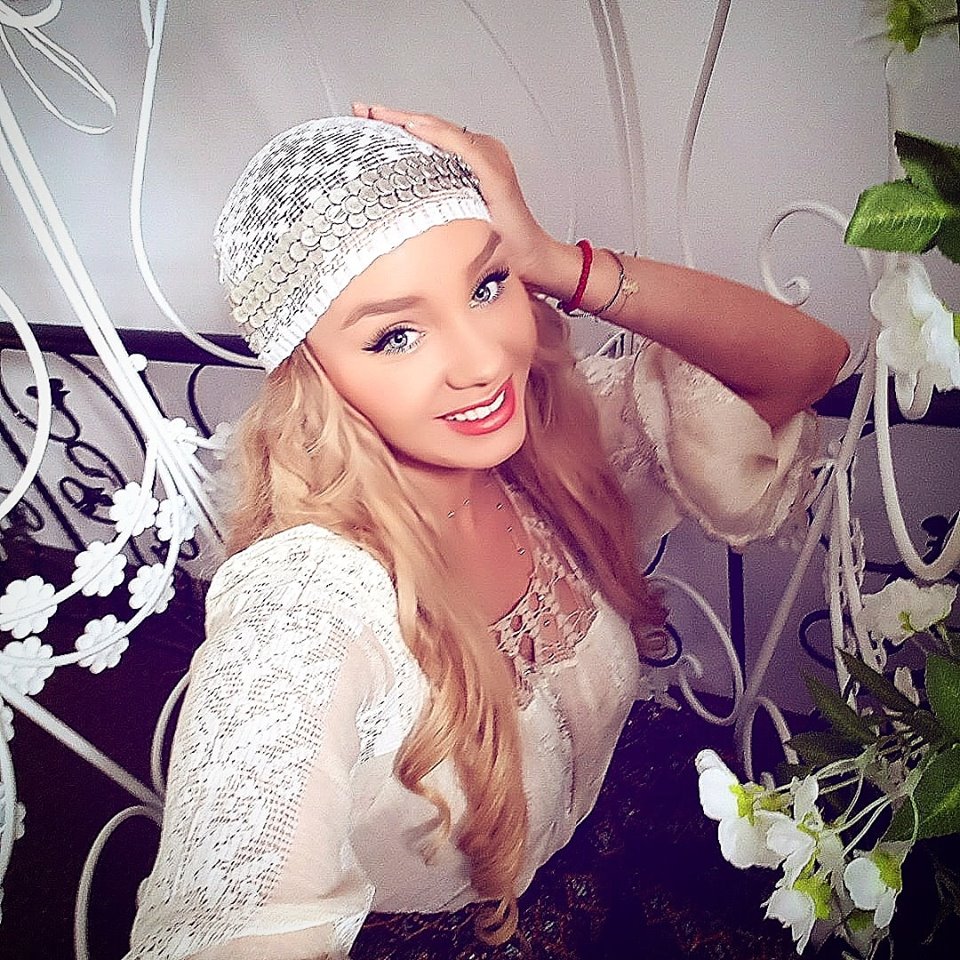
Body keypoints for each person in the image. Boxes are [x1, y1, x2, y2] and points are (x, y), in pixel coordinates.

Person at [125, 104, 848, 960]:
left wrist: (552, 259)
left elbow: (808, 362)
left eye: (486, 286)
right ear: (314, 377)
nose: (482, 360)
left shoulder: (559, 451)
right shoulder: (309, 601)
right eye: (396, 335)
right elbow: (230, 916)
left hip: (612, 855)